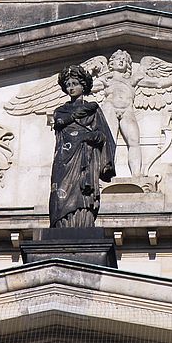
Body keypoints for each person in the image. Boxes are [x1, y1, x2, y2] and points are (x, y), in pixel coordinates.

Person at [50, 65, 116, 227]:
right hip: (64, 160)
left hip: (85, 158)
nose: (71, 88)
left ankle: (82, 222)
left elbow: (103, 137)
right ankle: (62, 225)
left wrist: (88, 136)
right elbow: (59, 122)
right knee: (59, 196)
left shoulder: (94, 111)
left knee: (82, 194)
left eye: (75, 84)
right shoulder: (61, 110)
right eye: (68, 85)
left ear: (83, 86)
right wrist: (76, 115)